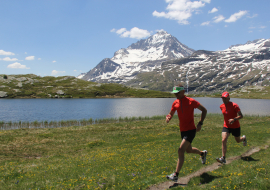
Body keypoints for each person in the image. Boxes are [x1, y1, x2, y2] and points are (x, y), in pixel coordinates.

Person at [166, 84, 208, 182]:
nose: (176, 95)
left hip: (191, 130)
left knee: (181, 151)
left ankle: (176, 175)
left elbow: (204, 110)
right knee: (188, 150)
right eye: (174, 93)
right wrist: (168, 117)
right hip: (182, 130)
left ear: (183, 92)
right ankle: (202, 153)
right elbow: (171, 113)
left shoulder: (191, 101)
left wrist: (200, 123)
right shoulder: (175, 102)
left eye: (177, 93)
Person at [216, 91, 247, 164]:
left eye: (225, 98)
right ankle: (223, 158)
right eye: (222, 98)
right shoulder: (221, 106)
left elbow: (241, 116)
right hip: (226, 126)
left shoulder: (234, 105)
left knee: (238, 140)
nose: (223, 100)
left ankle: (243, 138)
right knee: (223, 140)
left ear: (229, 98)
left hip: (235, 126)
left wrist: (234, 119)